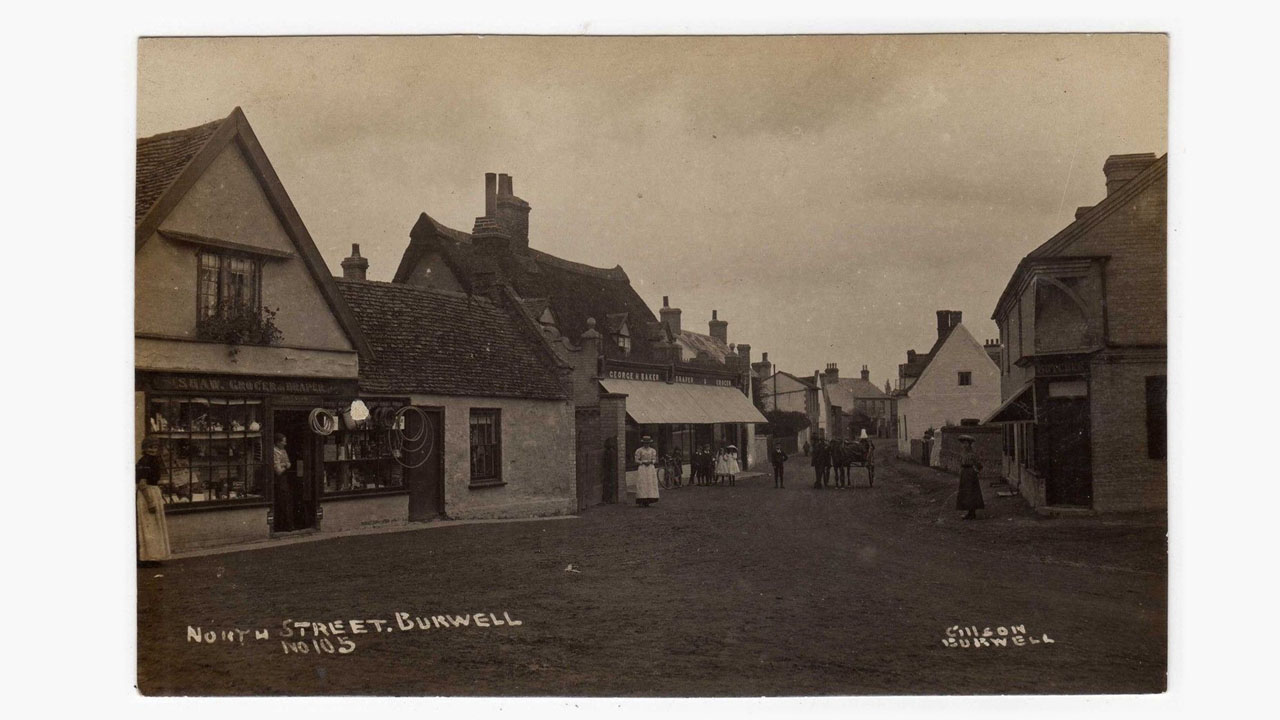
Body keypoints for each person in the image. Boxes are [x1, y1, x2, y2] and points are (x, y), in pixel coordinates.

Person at [136, 437, 171, 566]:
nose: (152, 450)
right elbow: (142, 484)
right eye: (149, 447)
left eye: (155, 447)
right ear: (144, 448)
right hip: (147, 495)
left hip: (153, 492)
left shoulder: (153, 461)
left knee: (154, 526)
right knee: (149, 526)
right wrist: (150, 502)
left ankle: (154, 556)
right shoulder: (145, 461)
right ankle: (148, 558)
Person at [956, 435, 985, 520]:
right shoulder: (963, 453)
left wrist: (976, 471)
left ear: (969, 444)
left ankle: (972, 513)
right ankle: (969, 512)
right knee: (965, 493)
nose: (964, 445)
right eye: (963, 443)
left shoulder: (972, 454)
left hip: (970, 474)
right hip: (964, 473)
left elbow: (979, 465)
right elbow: (961, 462)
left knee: (971, 492)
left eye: (966, 443)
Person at [273, 433, 293, 531]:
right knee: (282, 502)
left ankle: (288, 525)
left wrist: (284, 464)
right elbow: (278, 471)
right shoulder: (274, 452)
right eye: (283, 441)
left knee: (287, 502)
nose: (285, 443)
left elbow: (289, 464)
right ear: (277, 442)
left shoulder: (283, 451)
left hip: (285, 480)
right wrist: (285, 465)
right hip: (278, 481)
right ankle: (281, 526)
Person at [634, 435, 660, 507]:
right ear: (643, 443)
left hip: (650, 468)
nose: (646, 444)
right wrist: (642, 462)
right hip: (643, 468)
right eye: (645, 443)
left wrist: (651, 461)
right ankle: (642, 499)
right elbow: (636, 460)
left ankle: (649, 499)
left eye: (648, 443)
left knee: (650, 482)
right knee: (642, 482)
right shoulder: (639, 450)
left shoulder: (652, 450)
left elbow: (654, 459)